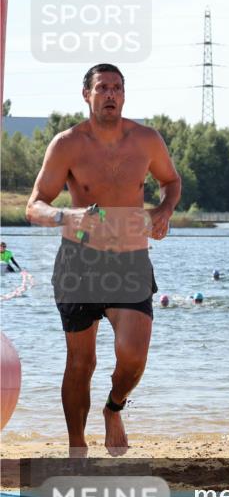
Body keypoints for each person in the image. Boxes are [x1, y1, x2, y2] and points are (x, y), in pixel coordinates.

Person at [25, 63, 181, 457]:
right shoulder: (67, 144)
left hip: (129, 258)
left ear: (124, 95)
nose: (110, 94)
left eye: (117, 88)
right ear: (86, 95)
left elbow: (172, 181)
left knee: (133, 356)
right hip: (80, 260)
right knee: (81, 362)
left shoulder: (146, 140)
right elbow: (34, 206)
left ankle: (114, 407)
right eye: (102, 88)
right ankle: (77, 450)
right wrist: (66, 216)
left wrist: (163, 211)